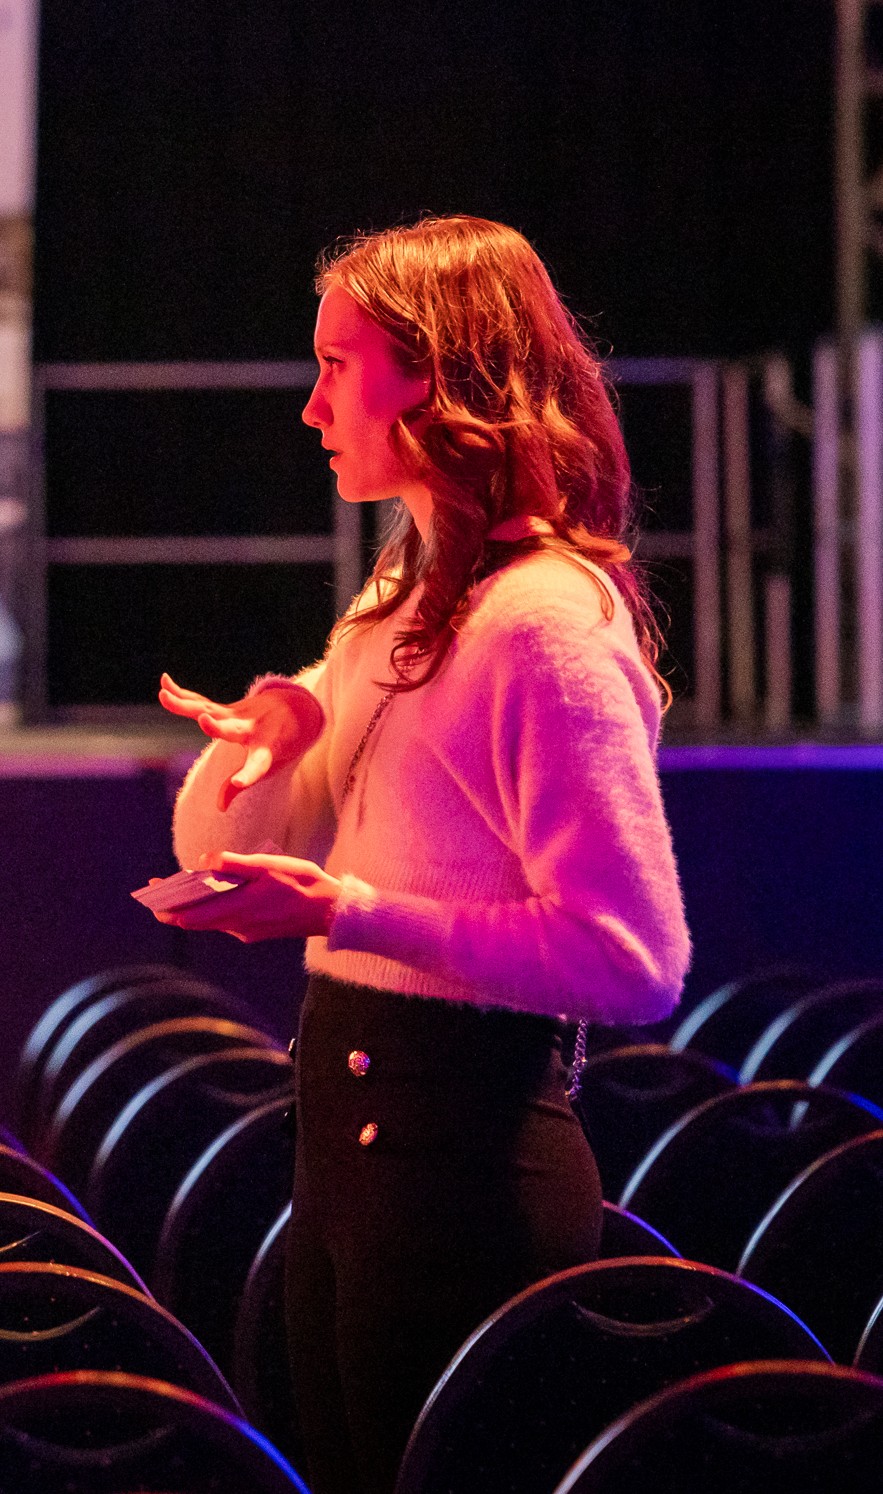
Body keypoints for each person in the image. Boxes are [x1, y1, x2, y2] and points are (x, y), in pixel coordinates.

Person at [152, 214, 691, 1494]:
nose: (311, 405)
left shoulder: (542, 622)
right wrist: (269, 751)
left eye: (337, 365)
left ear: (436, 373)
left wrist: (353, 908)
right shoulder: (396, 596)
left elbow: (632, 959)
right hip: (354, 1154)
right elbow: (219, 856)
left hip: (467, 1176)